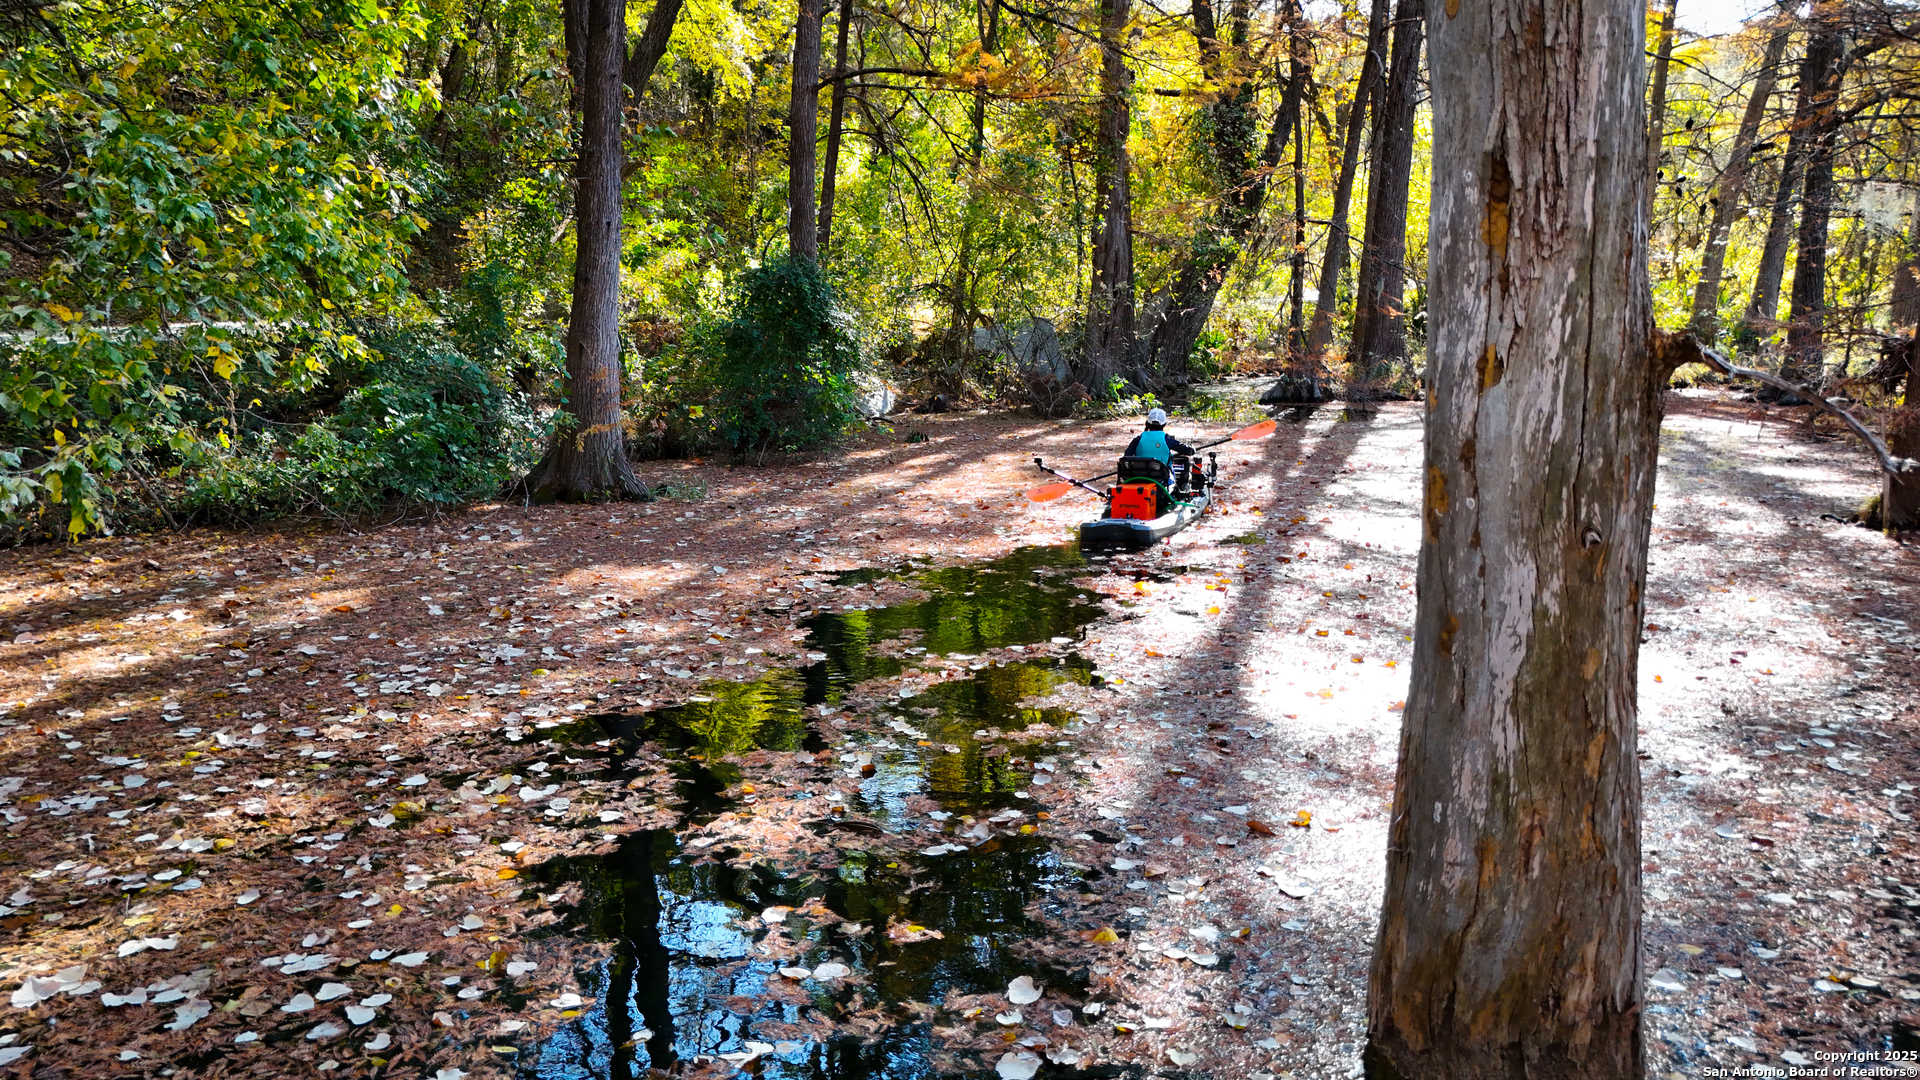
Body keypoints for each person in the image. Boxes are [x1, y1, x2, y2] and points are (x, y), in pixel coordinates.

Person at [1124, 408, 1196, 464]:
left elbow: (1126, 457)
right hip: (1161, 478)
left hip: (1138, 475)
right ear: (1164, 424)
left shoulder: (1138, 439)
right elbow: (1189, 451)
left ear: (1147, 423)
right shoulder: (1168, 439)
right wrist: (1192, 448)